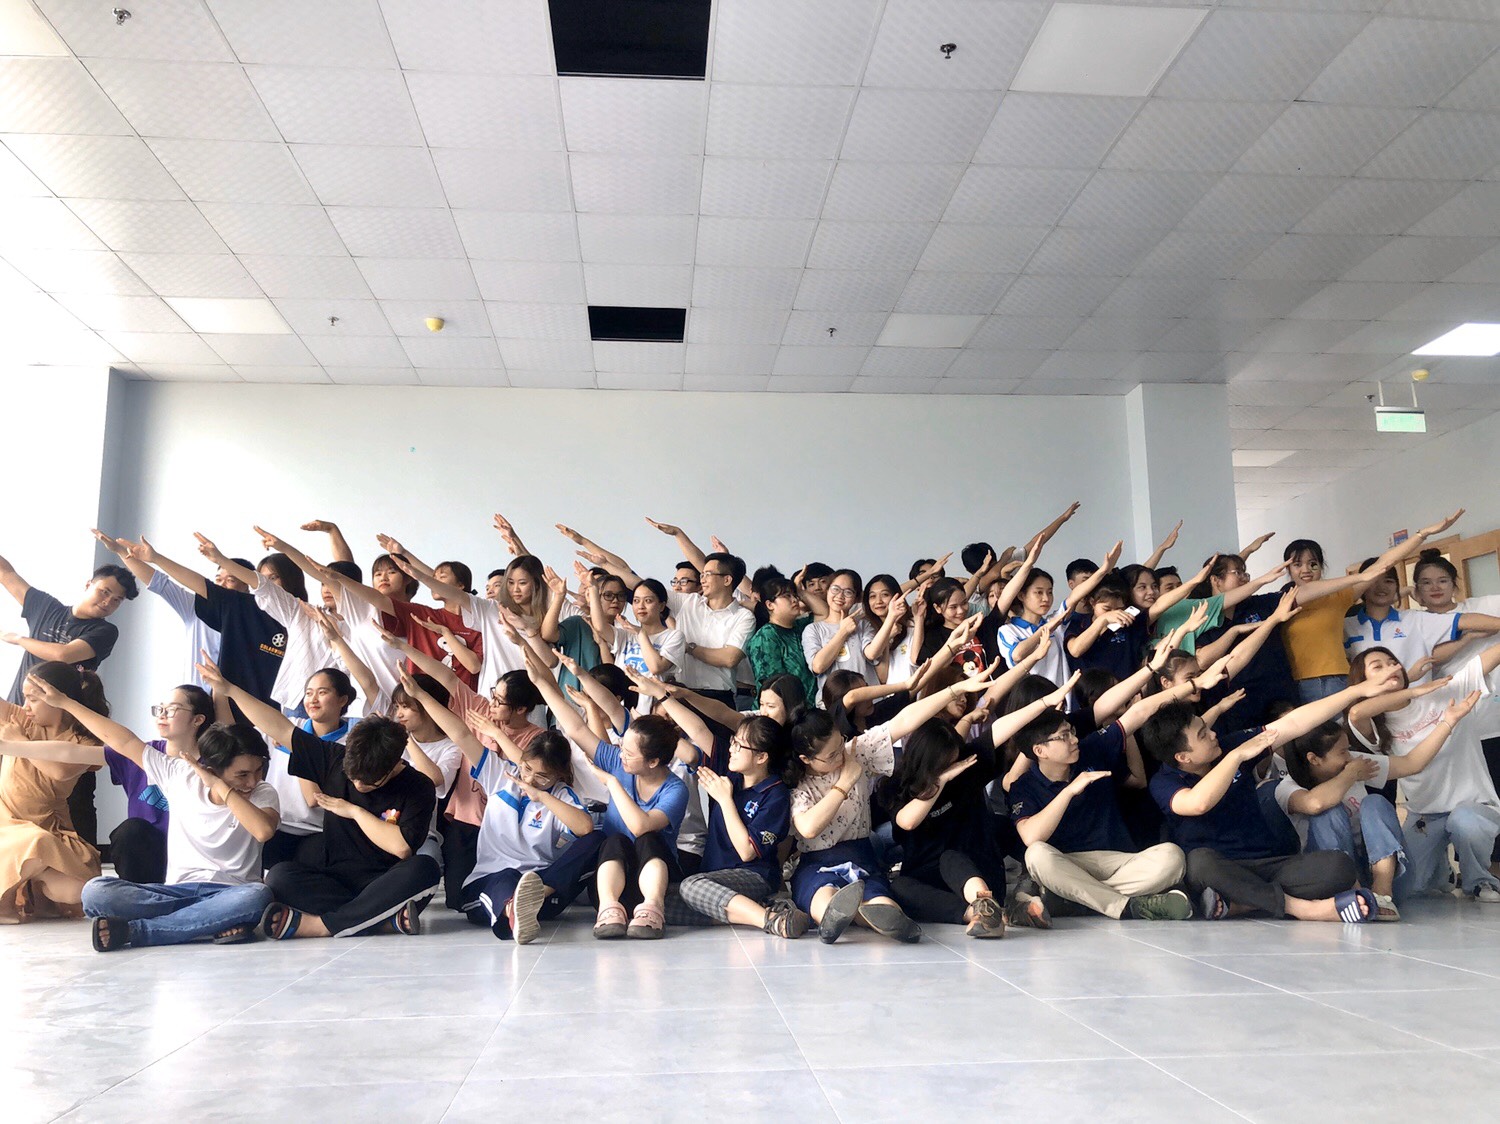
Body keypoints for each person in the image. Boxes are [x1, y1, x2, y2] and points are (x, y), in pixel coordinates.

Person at [19, 680, 280, 950]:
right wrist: (65, 703)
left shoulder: (263, 793)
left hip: (233, 891)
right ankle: (211, 921)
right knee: (96, 892)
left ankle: (140, 931)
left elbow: (263, 830)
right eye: (242, 775)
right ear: (214, 768)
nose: (252, 781)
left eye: (258, 771)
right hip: (175, 892)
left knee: (257, 896)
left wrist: (221, 787)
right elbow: (121, 739)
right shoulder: (179, 775)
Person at [198, 657, 439, 939]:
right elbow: (279, 727)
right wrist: (228, 689)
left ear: (395, 764)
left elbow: (401, 848)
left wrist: (354, 811)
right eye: (353, 778)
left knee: (424, 869)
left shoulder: (418, 786)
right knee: (279, 876)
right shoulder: (334, 758)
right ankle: (380, 920)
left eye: (369, 782)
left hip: (384, 881)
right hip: (334, 879)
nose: (358, 785)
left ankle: (322, 925)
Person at [1139, 680, 1401, 922]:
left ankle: (1243, 904)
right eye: (1202, 735)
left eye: (1207, 728)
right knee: (1199, 864)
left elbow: (1294, 723)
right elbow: (1198, 803)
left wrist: (1355, 691)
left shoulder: (1228, 746)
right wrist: (1235, 758)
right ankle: (1302, 909)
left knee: (1339, 867)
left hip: (1267, 864)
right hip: (1220, 869)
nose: (1213, 734)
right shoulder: (1164, 782)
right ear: (1183, 757)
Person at [786, 659, 1002, 943]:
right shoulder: (797, 783)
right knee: (823, 896)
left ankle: (883, 919)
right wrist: (845, 782)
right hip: (817, 861)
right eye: (831, 755)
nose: (841, 756)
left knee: (883, 903)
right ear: (806, 759)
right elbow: (808, 828)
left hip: (861, 856)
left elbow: (904, 721)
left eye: (841, 744)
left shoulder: (855, 752)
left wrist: (955, 689)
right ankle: (835, 918)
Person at [399, 672, 598, 944]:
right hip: (491, 882)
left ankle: (533, 898)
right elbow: (460, 734)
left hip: (542, 887)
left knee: (597, 838)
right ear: (520, 760)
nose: (530, 780)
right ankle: (513, 910)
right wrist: (421, 696)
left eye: (542, 777)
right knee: (506, 878)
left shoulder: (561, 796)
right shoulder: (501, 775)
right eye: (527, 769)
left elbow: (585, 827)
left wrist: (543, 797)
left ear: (559, 775)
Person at [887, 673, 1079, 937]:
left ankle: (988, 907)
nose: (951, 767)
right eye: (943, 765)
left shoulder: (965, 767)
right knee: (899, 888)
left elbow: (999, 731)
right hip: (930, 883)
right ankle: (990, 914)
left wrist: (1045, 702)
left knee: (955, 855)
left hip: (976, 875)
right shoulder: (895, 787)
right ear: (924, 762)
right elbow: (908, 821)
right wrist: (940, 782)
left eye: (952, 761)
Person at [1277, 691, 1479, 921]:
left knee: (1375, 802)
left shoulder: (1353, 764)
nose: (1349, 757)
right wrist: (1351, 775)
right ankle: (1351, 893)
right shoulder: (1287, 787)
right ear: (1314, 759)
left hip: (1388, 876)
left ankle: (1382, 894)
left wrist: (1448, 722)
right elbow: (1315, 804)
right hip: (1331, 880)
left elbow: (1412, 763)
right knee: (1328, 811)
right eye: (1342, 752)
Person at [527, 656, 691, 939]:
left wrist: (613, 783)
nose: (620, 754)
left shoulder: (675, 789)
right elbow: (577, 730)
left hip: (657, 882)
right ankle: (609, 910)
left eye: (629, 753)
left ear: (653, 762)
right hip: (614, 881)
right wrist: (541, 683)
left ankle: (653, 909)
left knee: (648, 839)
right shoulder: (618, 761)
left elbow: (640, 826)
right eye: (622, 747)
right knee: (613, 840)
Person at [1347, 644, 1500, 902]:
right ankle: (1442, 874)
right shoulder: (1376, 724)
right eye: (1378, 667)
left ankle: (1479, 880)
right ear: (1363, 683)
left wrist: (1416, 690)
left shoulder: (1446, 691)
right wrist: (1413, 688)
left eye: (1392, 662)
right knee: (1408, 888)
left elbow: (1487, 659)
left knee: (1465, 822)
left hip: (1474, 805)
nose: (1390, 668)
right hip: (1425, 814)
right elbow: (1356, 711)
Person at [1279, 510, 1463, 702]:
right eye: (1297, 564)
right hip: (1297, 684)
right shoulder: (1280, 602)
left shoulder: (1338, 597)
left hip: (1338, 681)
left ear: (1321, 567)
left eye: (1313, 564)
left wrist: (1422, 534)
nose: (1306, 570)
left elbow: (1383, 564)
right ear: (1287, 569)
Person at [676, 716, 807, 938]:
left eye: (739, 745)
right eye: (733, 741)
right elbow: (699, 730)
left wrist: (725, 800)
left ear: (761, 757)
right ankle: (758, 909)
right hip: (714, 876)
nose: (732, 749)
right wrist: (662, 699)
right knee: (662, 902)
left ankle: (772, 920)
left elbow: (747, 852)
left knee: (691, 887)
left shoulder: (775, 794)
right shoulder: (731, 775)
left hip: (754, 875)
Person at [0, 661, 108, 920]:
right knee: (35, 842)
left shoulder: (83, 740)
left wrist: (19, 742)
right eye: (24, 698)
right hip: (7, 822)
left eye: (33, 699)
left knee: (77, 891)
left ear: (57, 699)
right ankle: (5, 901)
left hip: (50, 828)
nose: (26, 706)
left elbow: (59, 770)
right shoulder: (24, 719)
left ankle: (36, 889)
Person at [106, 684, 217, 883]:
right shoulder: (144, 754)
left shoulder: (213, 766)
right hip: (151, 857)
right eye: (160, 709)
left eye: (172, 709)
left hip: (195, 860)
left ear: (198, 719)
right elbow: (71, 753)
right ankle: (138, 895)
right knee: (130, 831)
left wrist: (221, 690)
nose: (162, 715)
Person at [802, 569, 877, 694]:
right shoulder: (813, 629)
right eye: (835, 589)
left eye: (848, 592)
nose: (840, 596)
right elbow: (818, 666)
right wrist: (843, 632)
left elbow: (872, 654)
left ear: (857, 598)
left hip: (865, 699)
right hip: (831, 703)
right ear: (827, 590)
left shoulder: (864, 625)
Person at [745, 576, 815, 700]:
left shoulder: (801, 626)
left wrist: (801, 592)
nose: (794, 600)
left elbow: (824, 613)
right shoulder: (766, 636)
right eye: (787, 596)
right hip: (784, 707)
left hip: (809, 707)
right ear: (770, 605)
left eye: (795, 595)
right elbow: (772, 684)